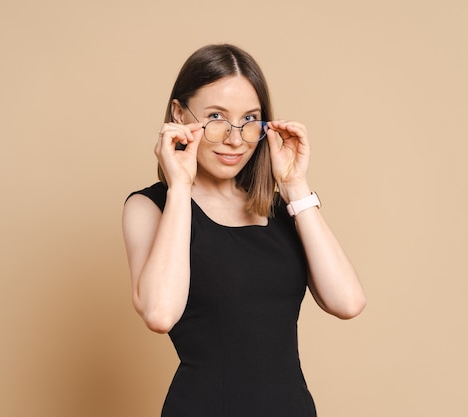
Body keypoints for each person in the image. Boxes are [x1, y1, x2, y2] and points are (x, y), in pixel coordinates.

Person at [122, 44, 366, 417]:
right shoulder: (150, 208)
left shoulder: (283, 209)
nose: (235, 139)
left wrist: (296, 187)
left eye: (250, 119)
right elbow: (160, 313)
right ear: (178, 114)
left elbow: (347, 302)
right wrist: (180, 187)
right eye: (216, 116)